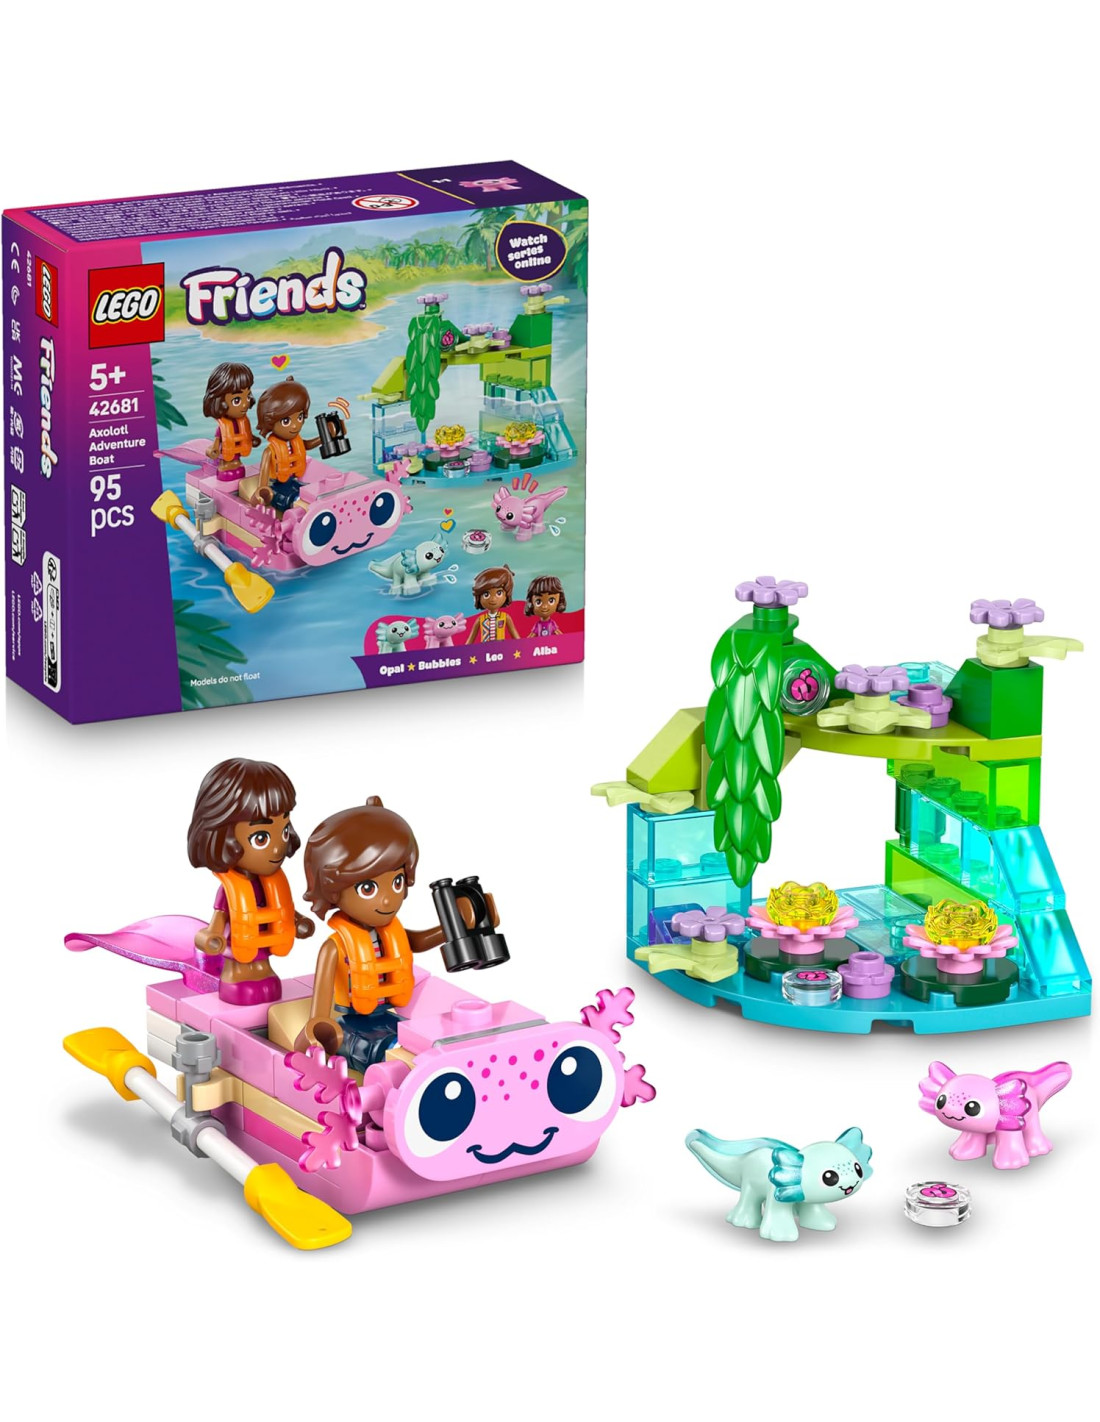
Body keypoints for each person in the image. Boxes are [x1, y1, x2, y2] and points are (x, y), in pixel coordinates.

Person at [187, 758, 314, 1004]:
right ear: (223, 836)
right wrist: (211, 936)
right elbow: (219, 918)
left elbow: (284, 911)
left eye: (283, 832)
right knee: (242, 972)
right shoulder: (230, 889)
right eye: (261, 838)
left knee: (266, 976)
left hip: (265, 950)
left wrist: (298, 922)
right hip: (239, 954)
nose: (277, 848)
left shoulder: (272, 884)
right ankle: (235, 979)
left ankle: (262, 974)